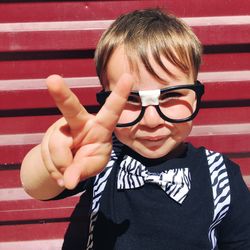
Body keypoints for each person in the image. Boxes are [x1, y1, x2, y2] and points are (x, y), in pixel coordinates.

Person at [20, 8, 250, 250]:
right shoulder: (100, 159)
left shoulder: (221, 176)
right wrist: (55, 160)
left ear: (195, 98)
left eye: (171, 95)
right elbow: (37, 187)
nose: (151, 120)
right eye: (130, 99)